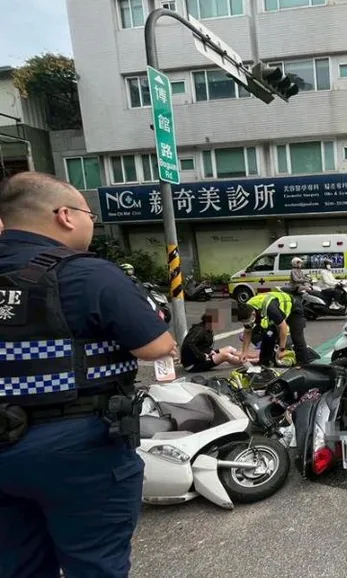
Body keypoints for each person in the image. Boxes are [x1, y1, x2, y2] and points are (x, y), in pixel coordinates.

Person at [0, 171, 177, 577]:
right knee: (95, 565)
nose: (91, 222)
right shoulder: (85, 273)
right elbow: (156, 345)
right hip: (75, 448)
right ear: (64, 215)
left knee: (17, 565)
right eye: (88, 213)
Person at [239, 288, 309, 367]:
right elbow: (247, 332)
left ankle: (303, 364)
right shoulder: (246, 310)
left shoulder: (270, 308)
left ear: (253, 314)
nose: (248, 323)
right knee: (268, 335)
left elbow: (283, 327)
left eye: (248, 321)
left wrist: (282, 349)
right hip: (274, 313)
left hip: (293, 308)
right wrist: (244, 352)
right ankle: (264, 363)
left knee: (297, 337)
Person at [181, 311, 253, 372]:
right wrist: (202, 356)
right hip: (192, 364)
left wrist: (209, 351)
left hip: (201, 356)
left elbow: (200, 345)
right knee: (225, 355)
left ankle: (247, 356)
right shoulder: (199, 331)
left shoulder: (207, 329)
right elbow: (188, 343)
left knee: (229, 349)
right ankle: (250, 361)